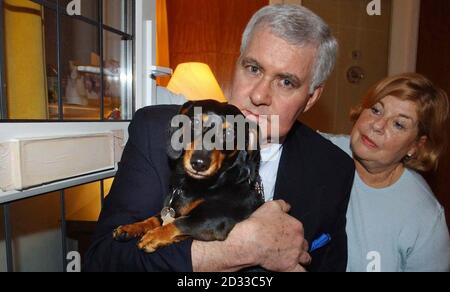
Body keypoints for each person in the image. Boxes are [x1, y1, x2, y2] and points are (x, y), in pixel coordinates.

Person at [84, 4, 355, 272]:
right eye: (253, 68)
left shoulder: (333, 168)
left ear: (312, 97)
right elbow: (103, 260)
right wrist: (230, 251)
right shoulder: (155, 132)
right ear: (237, 63)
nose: (259, 96)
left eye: (286, 82)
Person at [322, 73, 450, 272]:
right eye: (376, 110)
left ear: (415, 145)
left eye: (398, 124)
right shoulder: (319, 151)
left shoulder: (425, 218)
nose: (377, 125)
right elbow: (262, 132)